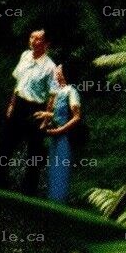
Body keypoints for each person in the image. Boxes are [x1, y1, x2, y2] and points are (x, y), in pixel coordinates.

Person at [0, 29, 56, 191]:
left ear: (46, 44)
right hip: (18, 104)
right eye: (31, 37)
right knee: (5, 142)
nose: (33, 41)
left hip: (36, 109)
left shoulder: (50, 67)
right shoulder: (25, 56)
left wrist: (46, 119)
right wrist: (12, 104)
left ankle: (29, 189)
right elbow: (18, 82)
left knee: (34, 150)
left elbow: (53, 94)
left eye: (38, 39)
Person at [36, 61, 82, 204]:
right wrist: (46, 114)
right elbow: (58, 114)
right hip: (55, 135)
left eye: (58, 70)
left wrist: (60, 130)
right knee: (53, 168)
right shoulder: (58, 92)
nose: (55, 72)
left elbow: (76, 116)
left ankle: (58, 203)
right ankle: (51, 201)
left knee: (60, 168)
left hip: (64, 136)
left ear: (63, 74)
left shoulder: (71, 91)